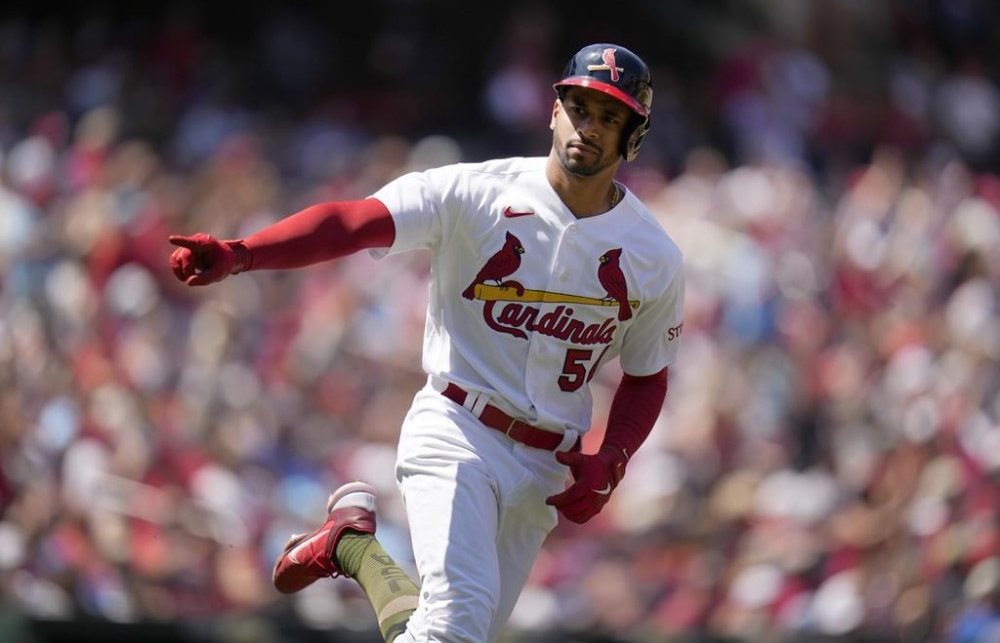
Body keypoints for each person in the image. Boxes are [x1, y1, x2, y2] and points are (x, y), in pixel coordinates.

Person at [167, 42, 685, 643]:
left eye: (610, 117)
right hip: (458, 425)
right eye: (580, 107)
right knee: (454, 628)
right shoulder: (475, 192)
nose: (589, 127)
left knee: (442, 631)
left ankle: (353, 545)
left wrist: (615, 454)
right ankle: (354, 545)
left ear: (633, 138)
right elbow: (353, 221)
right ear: (554, 110)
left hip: (547, 464)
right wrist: (241, 253)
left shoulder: (654, 255)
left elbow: (648, 373)